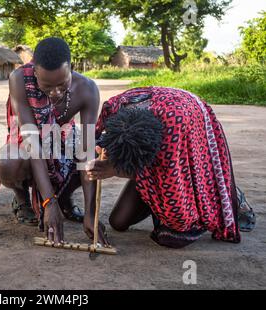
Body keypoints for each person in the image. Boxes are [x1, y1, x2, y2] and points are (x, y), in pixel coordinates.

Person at [86, 87, 255, 248]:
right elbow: (85, 147)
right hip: (164, 113)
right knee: (118, 222)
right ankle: (150, 193)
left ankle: (229, 194)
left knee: (172, 234)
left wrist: (115, 170)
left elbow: (179, 215)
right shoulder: (112, 110)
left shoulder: (172, 147)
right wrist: (89, 213)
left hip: (186, 117)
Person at [0, 37, 108, 245]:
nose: (55, 93)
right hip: (31, 144)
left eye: (62, 84)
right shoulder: (19, 79)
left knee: (96, 157)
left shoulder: (88, 89)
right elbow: (31, 141)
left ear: (71, 68)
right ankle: (22, 199)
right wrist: (49, 202)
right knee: (8, 162)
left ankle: (65, 197)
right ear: (34, 72)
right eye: (47, 86)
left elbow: (87, 150)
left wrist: (92, 212)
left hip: (63, 143)